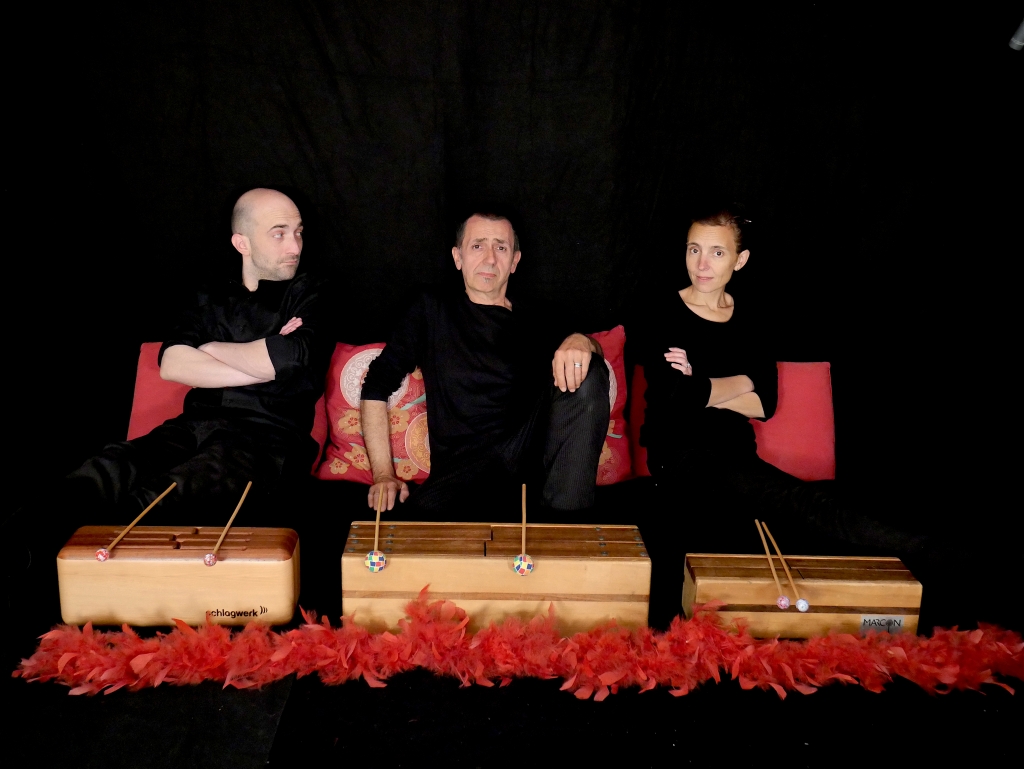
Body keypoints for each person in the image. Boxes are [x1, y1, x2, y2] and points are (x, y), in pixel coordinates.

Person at [632, 204, 928, 622]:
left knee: (790, 509)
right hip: (679, 458)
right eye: (694, 249)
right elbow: (674, 397)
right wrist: (740, 382)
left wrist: (701, 383)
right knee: (797, 503)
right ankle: (923, 546)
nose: (702, 263)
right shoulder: (661, 311)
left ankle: (916, 552)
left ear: (740, 260)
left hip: (737, 455)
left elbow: (765, 404)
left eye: (717, 252)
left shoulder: (750, 320)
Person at [60, 188, 329, 523]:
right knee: (100, 474)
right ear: (242, 243)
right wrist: (263, 366)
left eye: (298, 233)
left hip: (266, 442)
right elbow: (172, 363)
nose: (295, 247)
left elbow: (292, 357)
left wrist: (210, 349)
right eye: (279, 234)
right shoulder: (208, 296)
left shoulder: (312, 292)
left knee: (156, 502)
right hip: (191, 428)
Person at [359, 213, 610, 519]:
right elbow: (377, 384)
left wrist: (583, 341)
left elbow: (592, 368)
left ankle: (567, 522)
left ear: (514, 261)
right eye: (478, 246)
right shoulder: (431, 309)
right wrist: (383, 475)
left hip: (533, 480)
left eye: (501, 247)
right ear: (458, 257)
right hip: (460, 477)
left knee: (590, 370)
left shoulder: (540, 318)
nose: (490, 259)